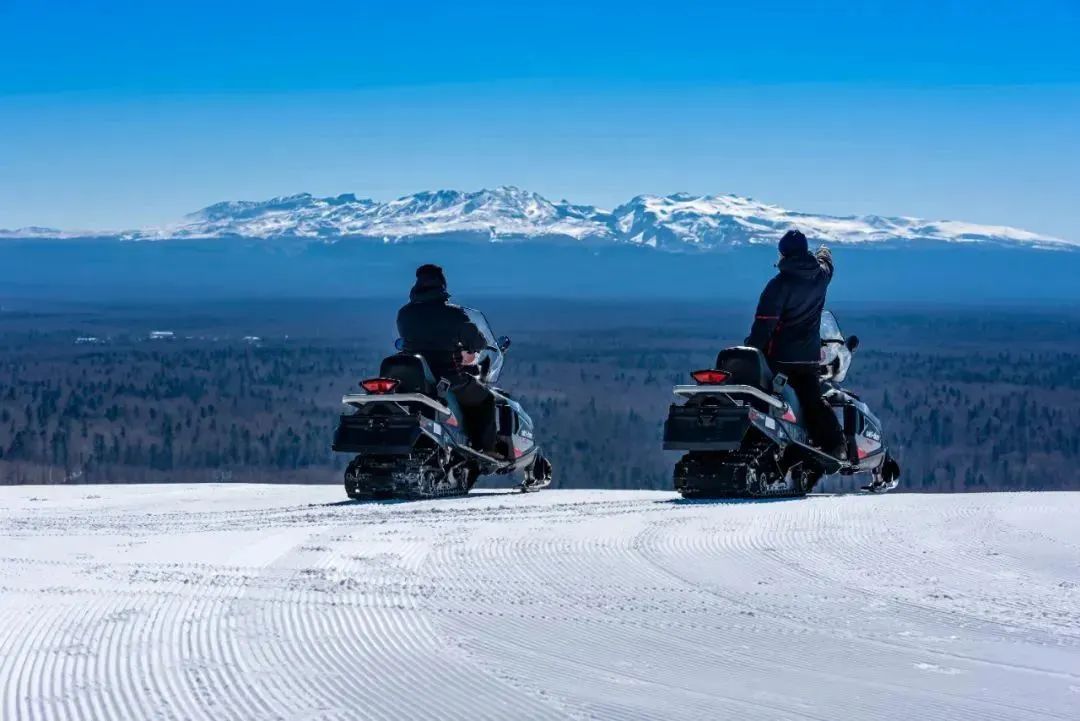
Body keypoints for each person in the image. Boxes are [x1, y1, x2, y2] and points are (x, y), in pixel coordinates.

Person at [745, 229, 847, 459]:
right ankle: (834, 444)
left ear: (782, 254)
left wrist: (751, 351)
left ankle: (764, 441)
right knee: (812, 400)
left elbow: (764, 326)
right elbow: (827, 264)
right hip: (808, 358)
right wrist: (824, 252)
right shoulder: (820, 277)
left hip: (779, 357)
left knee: (763, 396)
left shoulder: (778, 286)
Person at [396, 264, 498, 455]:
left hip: (415, 377)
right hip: (448, 377)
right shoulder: (453, 313)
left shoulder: (404, 313)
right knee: (486, 399)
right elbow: (476, 340)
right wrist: (472, 346)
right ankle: (484, 450)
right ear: (441, 284)